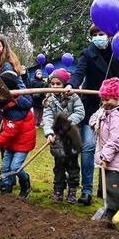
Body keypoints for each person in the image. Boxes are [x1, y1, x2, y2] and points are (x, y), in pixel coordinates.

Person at [66, 24, 119, 206]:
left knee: (110, 149)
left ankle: (107, 189)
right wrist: (71, 84)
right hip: (91, 106)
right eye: (95, 35)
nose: (99, 37)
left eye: (102, 33)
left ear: (109, 35)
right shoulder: (87, 54)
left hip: (112, 107)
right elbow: (79, 72)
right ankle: (86, 190)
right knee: (88, 147)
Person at [89, 78, 119, 222]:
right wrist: (96, 122)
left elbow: (116, 140)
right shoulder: (106, 108)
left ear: (117, 97)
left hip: (116, 157)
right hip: (106, 154)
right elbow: (93, 118)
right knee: (106, 183)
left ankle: (112, 210)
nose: (104, 103)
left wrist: (105, 157)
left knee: (113, 184)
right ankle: (109, 206)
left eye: (107, 99)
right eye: (102, 100)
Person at [0, 70, 36, 199]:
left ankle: (25, 183)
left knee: (15, 167)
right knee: (5, 167)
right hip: (11, 143)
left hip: (22, 143)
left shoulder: (17, 110)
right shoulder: (7, 103)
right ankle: (6, 188)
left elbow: (10, 132)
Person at [42, 68, 85, 203]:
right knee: (59, 165)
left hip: (71, 137)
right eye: (52, 84)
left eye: (58, 84)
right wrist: (49, 132)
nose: (55, 86)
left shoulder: (73, 97)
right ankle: (58, 190)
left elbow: (80, 112)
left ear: (65, 83)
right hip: (57, 138)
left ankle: (72, 191)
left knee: (72, 166)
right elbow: (47, 117)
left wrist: (65, 124)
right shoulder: (49, 99)